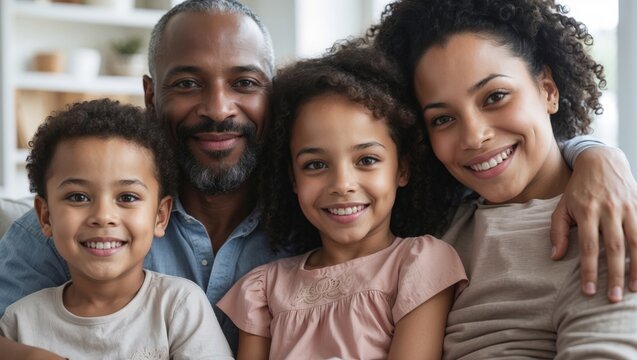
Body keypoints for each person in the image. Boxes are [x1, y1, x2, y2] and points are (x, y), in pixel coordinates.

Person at [0, 0, 636, 357]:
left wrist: (595, 156)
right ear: (149, 96)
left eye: (245, 83)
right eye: (187, 84)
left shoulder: (414, 233)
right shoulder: (62, 232)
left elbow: (497, 166)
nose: (219, 108)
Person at [374, 0, 637, 357]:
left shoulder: (605, 222)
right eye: (442, 119)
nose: (473, 136)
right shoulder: (435, 226)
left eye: (495, 97)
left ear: (548, 90)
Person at [218, 45, 467, 359]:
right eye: (316, 165)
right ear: (293, 180)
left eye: (366, 159)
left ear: (402, 168)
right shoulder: (263, 289)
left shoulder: (419, 264)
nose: (342, 185)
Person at [0, 99, 233, 359]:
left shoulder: (179, 306)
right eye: (78, 197)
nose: (103, 216)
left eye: (127, 197)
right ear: (45, 217)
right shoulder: (20, 322)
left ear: (160, 216)